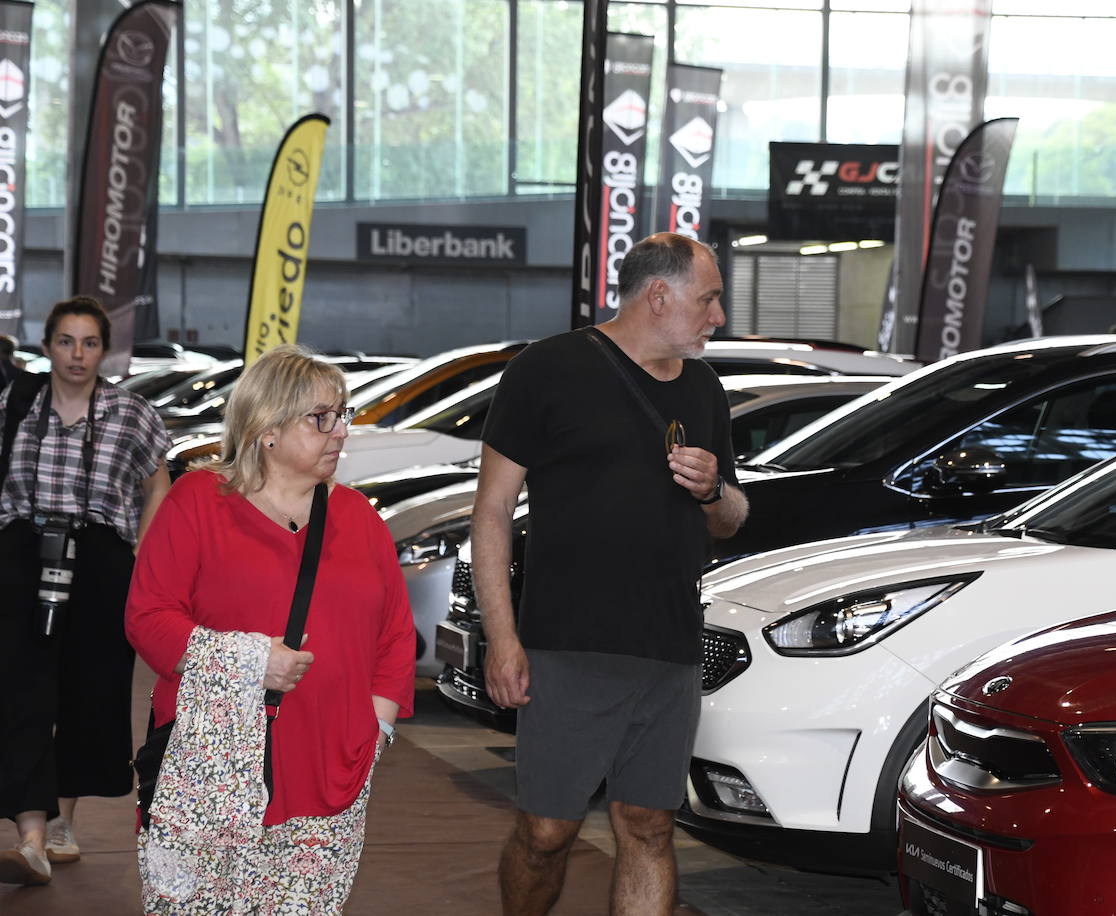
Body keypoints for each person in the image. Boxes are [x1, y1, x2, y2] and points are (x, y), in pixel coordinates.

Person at [474, 232, 749, 916]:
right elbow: (492, 512)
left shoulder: (706, 388)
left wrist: (715, 490)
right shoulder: (547, 370)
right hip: (568, 648)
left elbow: (734, 518)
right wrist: (503, 639)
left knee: (649, 826)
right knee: (546, 832)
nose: (718, 317)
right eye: (709, 299)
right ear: (659, 295)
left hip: (670, 649)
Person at [124, 344, 415, 913]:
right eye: (321, 418)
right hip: (207, 773)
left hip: (330, 772)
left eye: (343, 415)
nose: (339, 432)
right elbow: (148, 618)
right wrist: (252, 660)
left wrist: (374, 731)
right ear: (268, 428)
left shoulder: (359, 517)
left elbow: (396, 636)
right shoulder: (197, 502)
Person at [0, 296, 172, 886]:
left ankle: (61, 824)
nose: (77, 354)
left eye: (90, 342)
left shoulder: (132, 413)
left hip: (100, 561)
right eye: (66, 341)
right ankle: (29, 832)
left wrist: (141, 558)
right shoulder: (15, 403)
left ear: (105, 349)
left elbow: (159, 486)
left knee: (88, 692)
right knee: (21, 689)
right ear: (47, 345)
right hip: (21, 554)